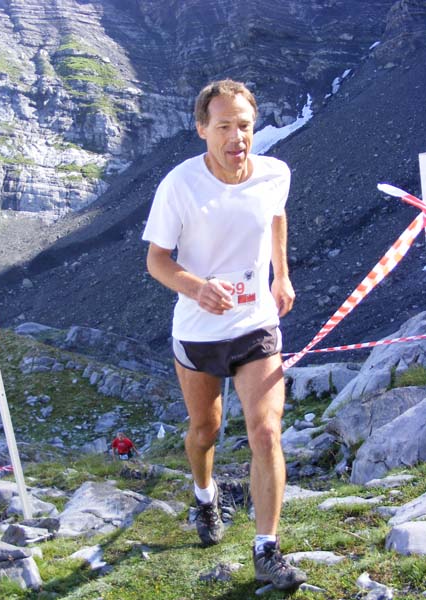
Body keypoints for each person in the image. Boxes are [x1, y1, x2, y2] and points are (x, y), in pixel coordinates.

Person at [142, 79, 307, 591]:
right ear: (201, 129)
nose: (237, 137)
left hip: (256, 324)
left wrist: (281, 275)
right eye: (224, 127)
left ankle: (267, 549)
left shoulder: (274, 173)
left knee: (266, 431)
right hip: (198, 332)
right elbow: (157, 260)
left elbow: (276, 215)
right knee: (205, 431)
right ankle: (205, 495)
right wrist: (196, 288)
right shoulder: (179, 185)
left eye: (244, 126)